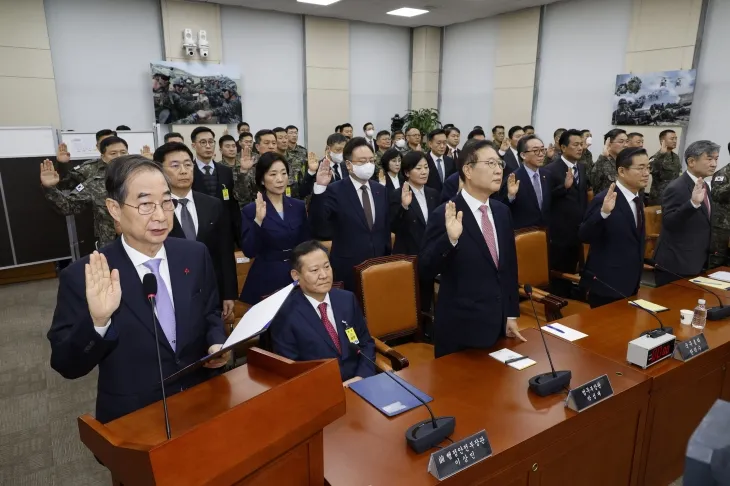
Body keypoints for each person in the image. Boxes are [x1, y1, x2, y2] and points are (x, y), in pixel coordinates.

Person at [47, 155, 228, 424]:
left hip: (201, 399)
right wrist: (98, 322)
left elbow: (210, 311)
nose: (160, 215)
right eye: (145, 204)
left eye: (166, 202)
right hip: (135, 416)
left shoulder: (193, 254)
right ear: (114, 209)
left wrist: (216, 342)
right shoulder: (86, 275)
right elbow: (67, 365)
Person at [419, 140, 525, 358]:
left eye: (500, 163)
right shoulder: (445, 213)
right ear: (467, 170)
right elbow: (425, 269)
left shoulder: (502, 211)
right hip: (461, 330)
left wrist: (511, 313)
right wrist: (450, 240)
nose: (498, 170)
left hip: (497, 325)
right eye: (490, 163)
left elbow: (508, 268)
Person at [269, 240, 375, 385]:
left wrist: (361, 377)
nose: (324, 275)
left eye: (327, 267)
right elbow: (291, 370)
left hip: (359, 383)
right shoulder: (285, 315)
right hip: (319, 390)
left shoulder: (347, 299)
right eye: (314, 270)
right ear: (296, 276)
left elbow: (366, 343)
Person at [154, 142, 237, 319]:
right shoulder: (155, 209)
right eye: (175, 165)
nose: (183, 170)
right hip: (171, 293)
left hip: (211, 291)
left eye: (187, 164)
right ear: (160, 170)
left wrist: (229, 293)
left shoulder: (212, 204)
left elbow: (224, 251)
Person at [309, 137, 391, 291]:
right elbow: (318, 226)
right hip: (348, 266)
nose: (368, 165)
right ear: (349, 164)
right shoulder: (335, 190)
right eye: (362, 161)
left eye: (371, 160)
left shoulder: (380, 190)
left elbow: (385, 228)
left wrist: (386, 258)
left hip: (378, 264)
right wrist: (320, 188)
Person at [579, 147, 649, 308]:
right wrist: (603, 213)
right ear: (622, 171)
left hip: (631, 282)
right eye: (640, 168)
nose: (646, 173)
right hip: (607, 285)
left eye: (648, 167)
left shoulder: (638, 198)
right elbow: (584, 235)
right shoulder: (604, 199)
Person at [239, 153, 310, 304]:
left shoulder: (297, 206)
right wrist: (258, 220)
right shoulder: (251, 210)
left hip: (296, 274)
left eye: (283, 173)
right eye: (273, 174)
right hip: (266, 277)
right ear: (262, 180)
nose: (280, 179)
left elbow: (306, 243)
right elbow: (249, 251)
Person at [41, 136, 130, 249]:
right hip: (111, 244)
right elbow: (67, 206)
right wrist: (50, 188)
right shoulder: (95, 183)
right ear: (103, 157)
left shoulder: (141, 178)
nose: (119, 156)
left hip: (143, 240)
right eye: (113, 153)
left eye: (123, 152)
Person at [654, 140, 719, 286]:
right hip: (677, 263)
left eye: (716, 159)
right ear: (691, 161)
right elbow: (669, 222)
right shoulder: (677, 187)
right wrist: (692, 204)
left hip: (697, 261)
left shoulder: (703, 185)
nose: (714, 164)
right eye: (709, 159)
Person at [542, 129, 589, 297]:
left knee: (571, 271)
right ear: (563, 147)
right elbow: (545, 200)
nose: (580, 148)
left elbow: (582, 197)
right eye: (575, 145)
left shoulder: (582, 168)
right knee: (557, 276)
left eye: (581, 144)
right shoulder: (550, 170)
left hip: (577, 231)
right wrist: (564, 188)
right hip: (559, 234)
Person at [190, 127, 242, 249]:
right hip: (200, 233)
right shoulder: (189, 171)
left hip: (224, 233)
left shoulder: (225, 171)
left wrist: (238, 236)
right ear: (194, 145)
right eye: (203, 142)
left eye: (211, 142)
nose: (208, 146)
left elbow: (233, 206)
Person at [390, 151, 440, 256]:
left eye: (426, 167)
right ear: (407, 172)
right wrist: (404, 206)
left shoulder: (433, 193)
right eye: (418, 168)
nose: (424, 172)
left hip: (430, 253)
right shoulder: (397, 194)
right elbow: (393, 227)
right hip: (408, 255)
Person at [503, 135, 551, 229]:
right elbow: (502, 208)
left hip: (545, 232)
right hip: (523, 233)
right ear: (523, 155)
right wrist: (511, 196)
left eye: (542, 149)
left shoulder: (547, 175)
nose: (541, 154)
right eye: (536, 150)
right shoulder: (513, 178)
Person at [233, 129, 277, 207]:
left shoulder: (283, 165)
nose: (271, 146)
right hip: (255, 211)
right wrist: (244, 171)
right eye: (266, 143)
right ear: (257, 146)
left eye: (274, 143)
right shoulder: (248, 166)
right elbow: (241, 196)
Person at [299, 133, 349, 200]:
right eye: (338, 150)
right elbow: (303, 192)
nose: (341, 153)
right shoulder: (317, 166)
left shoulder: (347, 166)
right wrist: (311, 171)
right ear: (328, 148)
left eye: (344, 150)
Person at [648, 130, 681, 206]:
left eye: (676, 138)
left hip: (673, 197)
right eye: (672, 139)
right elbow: (649, 168)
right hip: (659, 199)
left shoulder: (675, 157)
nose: (675, 141)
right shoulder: (656, 157)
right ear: (662, 141)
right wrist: (661, 154)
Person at [590, 129, 627, 195]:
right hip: (605, 203)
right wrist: (603, 156)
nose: (625, 145)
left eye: (626, 142)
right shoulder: (602, 162)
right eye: (621, 142)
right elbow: (593, 182)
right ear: (609, 144)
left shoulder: (625, 162)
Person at [425, 129, 456, 193]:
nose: (442, 146)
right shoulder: (424, 161)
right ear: (430, 144)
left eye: (444, 143)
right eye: (438, 143)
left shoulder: (450, 161)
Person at [285, 125, 308, 198]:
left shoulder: (303, 151)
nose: (294, 135)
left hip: (301, 185)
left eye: (296, 133)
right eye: (291, 133)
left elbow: (307, 167)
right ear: (286, 135)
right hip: (287, 187)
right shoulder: (283, 151)